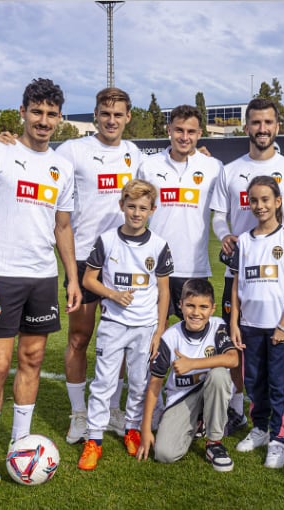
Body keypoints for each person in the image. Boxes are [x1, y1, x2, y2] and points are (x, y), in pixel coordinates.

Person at [0, 87, 146, 444]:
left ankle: (113, 410)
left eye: (118, 114)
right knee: (79, 336)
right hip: (83, 257)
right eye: (105, 114)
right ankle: (79, 413)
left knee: (122, 339)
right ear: (95, 115)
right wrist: (7, 143)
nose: (111, 120)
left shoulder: (134, 154)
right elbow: (36, 158)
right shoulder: (72, 151)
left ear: (127, 118)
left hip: (123, 259)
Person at [0, 78, 80, 488]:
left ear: (60, 119)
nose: (43, 121)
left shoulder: (63, 166)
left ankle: (20, 443)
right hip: (1, 277)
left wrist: (72, 276)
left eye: (51, 114)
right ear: (23, 112)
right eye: (37, 112)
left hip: (42, 279)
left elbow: (63, 225)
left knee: (31, 360)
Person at [210, 97, 284, 438]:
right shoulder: (230, 170)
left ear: (277, 127)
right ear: (246, 127)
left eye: (268, 122)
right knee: (241, 343)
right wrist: (225, 235)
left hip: (278, 280)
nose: (262, 128)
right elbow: (218, 217)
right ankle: (239, 411)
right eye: (255, 122)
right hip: (239, 276)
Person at [75, 179, 173, 471]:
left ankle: (132, 428)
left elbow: (164, 291)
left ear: (152, 210)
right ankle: (93, 439)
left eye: (143, 208)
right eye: (131, 206)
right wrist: (112, 294)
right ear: (122, 206)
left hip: (145, 328)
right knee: (104, 382)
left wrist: (159, 330)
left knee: (140, 382)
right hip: (113, 324)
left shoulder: (159, 245)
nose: (136, 213)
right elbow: (88, 279)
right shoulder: (107, 240)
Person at [221, 175, 284, 469]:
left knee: (279, 383)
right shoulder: (242, 241)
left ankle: (278, 439)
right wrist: (233, 323)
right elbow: (235, 285)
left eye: (266, 199)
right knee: (253, 380)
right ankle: (259, 429)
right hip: (249, 326)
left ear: (278, 202)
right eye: (253, 200)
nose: (259, 206)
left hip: (278, 327)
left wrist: (283, 325)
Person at [135, 280, 239, 472]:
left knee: (219, 375)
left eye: (203, 307)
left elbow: (233, 359)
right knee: (164, 454)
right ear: (180, 305)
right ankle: (197, 422)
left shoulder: (218, 326)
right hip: (182, 397)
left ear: (212, 309)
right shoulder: (170, 338)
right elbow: (155, 385)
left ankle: (214, 442)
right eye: (190, 305)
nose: (196, 313)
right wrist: (146, 428)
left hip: (209, 389)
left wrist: (193, 364)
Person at [137, 105, 223, 320]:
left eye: (191, 132)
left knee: (195, 338)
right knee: (153, 337)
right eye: (179, 130)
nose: (184, 137)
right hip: (156, 267)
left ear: (200, 134)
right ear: (169, 129)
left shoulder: (214, 167)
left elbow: (226, 211)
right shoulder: (148, 165)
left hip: (195, 268)